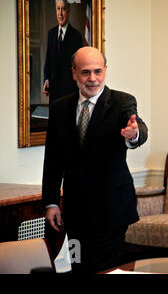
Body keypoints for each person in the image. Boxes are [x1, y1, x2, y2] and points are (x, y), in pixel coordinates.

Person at [42, 46, 148, 273]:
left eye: (98, 72)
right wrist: (51, 202)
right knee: (78, 265)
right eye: (86, 72)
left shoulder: (122, 102)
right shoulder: (60, 108)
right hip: (74, 213)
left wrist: (134, 134)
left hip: (112, 210)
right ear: (74, 73)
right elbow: (52, 159)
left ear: (106, 70)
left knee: (106, 269)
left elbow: (137, 127)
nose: (92, 79)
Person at [43, 0, 83, 105]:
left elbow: (78, 67)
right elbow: (48, 60)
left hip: (69, 93)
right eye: (58, 8)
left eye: (63, 9)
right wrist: (46, 79)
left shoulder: (76, 36)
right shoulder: (51, 33)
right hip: (53, 93)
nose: (60, 14)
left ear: (69, 11)